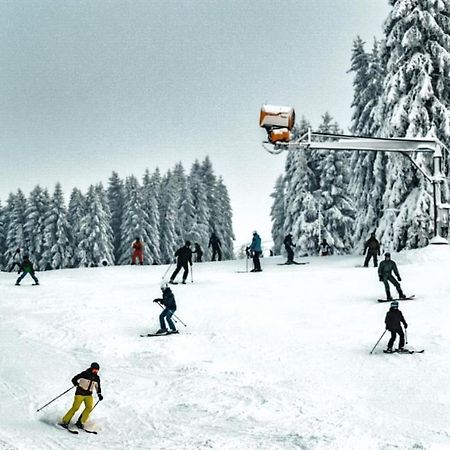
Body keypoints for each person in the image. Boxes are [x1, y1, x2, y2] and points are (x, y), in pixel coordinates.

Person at [60, 362, 103, 430]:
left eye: (97, 370)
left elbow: (98, 387)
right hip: (80, 393)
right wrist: (76, 384)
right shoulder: (84, 374)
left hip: (88, 395)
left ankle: (80, 422)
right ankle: (65, 421)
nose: (96, 371)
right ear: (91, 368)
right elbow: (74, 379)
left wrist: (99, 394)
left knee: (89, 407)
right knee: (75, 407)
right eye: (94, 369)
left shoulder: (97, 378)